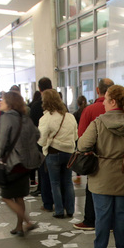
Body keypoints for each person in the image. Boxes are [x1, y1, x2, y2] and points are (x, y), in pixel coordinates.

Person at [77, 84, 124, 248]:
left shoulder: (98, 123)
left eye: (106, 100)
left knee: (102, 216)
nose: (103, 104)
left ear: (113, 101)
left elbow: (81, 145)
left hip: (101, 177)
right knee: (121, 215)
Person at [0, 91, 43, 236]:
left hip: (14, 163)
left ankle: (27, 222)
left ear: (9, 103)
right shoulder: (25, 118)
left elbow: (2, 141)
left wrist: (0, 155)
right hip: (27, 164)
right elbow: (37, 134)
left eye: (2, 100)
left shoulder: (7, 118)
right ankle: (19, 226)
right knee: (19, 196)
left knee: (6, 196)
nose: (0, 102)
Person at [74, 78, 115, 232]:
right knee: (114, 191)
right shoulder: (123, 111)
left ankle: (90, 220)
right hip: (117, 160)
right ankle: (112, 223)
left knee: (92, 188)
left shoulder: (90, 110)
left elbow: (82, 137)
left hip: (95, 158)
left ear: (98, 90)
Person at [37, 89, 78, 218]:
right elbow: (76, 136)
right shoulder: (70, 116)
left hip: (54, 153)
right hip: (69, 153)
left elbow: (41, 139)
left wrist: (48, 141)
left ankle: (59, 211)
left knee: (55, 183)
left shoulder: (46, 118)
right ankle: (70, 209)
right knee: (68, 182)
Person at [30, 77, 55, 211]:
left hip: (43, 145)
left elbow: (34, 127)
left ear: (39, 89)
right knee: (59, 179)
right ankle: (63, 204)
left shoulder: (36, 106)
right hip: (60, 146)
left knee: (44, 174)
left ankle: (48, 202)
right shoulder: (61, 105)